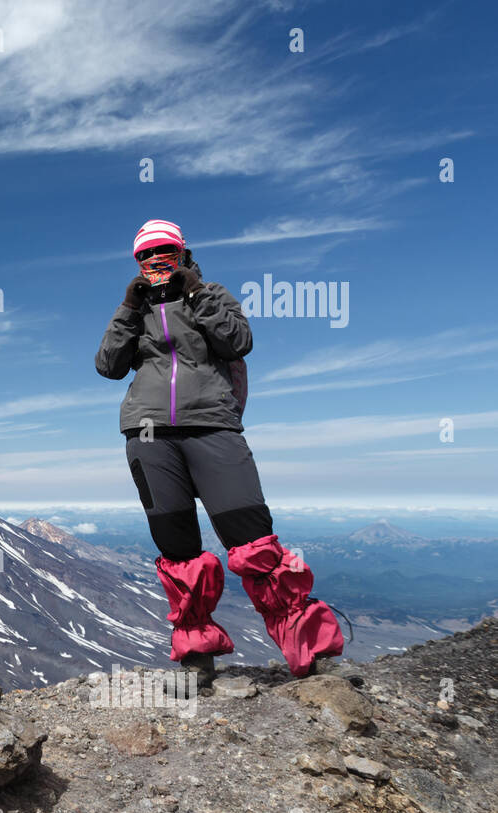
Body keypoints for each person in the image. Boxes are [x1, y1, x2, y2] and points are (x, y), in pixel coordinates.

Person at [94, 219, 342, 686]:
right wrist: (130, 307)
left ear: (183, 252)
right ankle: (196, 658)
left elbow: (237, 341)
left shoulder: (211, 293)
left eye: (164, 251)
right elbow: (108, 365)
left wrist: (197, 294)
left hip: (212, 424)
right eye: (145, 256)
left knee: (253, 540)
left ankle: (314, 652)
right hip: (148, 435)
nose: (155, 261)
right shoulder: (135, 310)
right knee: (178, 547)